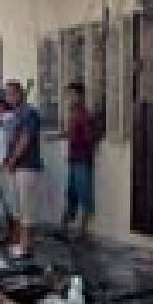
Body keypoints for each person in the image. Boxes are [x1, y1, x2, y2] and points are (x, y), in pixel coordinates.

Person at [2, 80, 42, 258]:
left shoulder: (29, 113)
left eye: (12, 93)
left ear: (20, 94)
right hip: (15, 167)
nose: (9, 97)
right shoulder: (14, 115)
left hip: (27, 166)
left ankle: (27, 246)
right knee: (17, 207)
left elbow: (25, 139)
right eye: (7, 94)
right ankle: (20, 243)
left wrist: (12, 159)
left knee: (27, 208)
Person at [62, 83, 98, 238]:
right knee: (71, 194)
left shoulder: (84, 114)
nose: (69, 98)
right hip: (74, 158)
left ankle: (82, 230)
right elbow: (71, 133)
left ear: (79, 95)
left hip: (82, 159)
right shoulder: (74, 112)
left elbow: (89, 136)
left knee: (84, 195)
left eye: (71, 94)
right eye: (68, 94)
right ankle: (64, 228)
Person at [0, 97, 17, 243]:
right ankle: (10, 230)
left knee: (10, 201)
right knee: (5, 201)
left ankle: (14, 233)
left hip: (5, 167)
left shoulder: (8, 119)